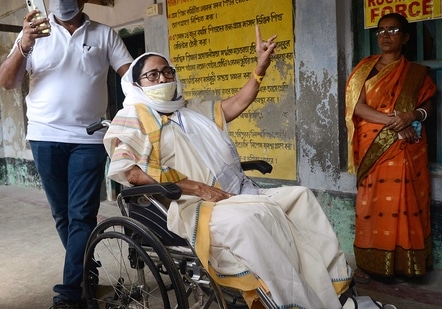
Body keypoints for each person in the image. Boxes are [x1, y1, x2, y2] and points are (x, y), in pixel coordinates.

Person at [102, 25, 380, 309]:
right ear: (137, 84)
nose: (162, 78)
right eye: (152, 75)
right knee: (253, 218)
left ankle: (335, 293)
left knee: (300, 198)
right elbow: (131, 172)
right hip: (188, 204)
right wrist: (197, 187)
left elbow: (238, 102)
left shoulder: (191, 111)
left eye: (167, 71)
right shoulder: (132, 116)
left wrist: (261, 67)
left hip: (231, 193)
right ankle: (295, 301)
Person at [0, 0, 133, 308]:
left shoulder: (104, 34)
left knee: (82, 215)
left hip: (89, 138)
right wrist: (23, 44)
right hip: (44, 138)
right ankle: (86, 268)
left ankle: (69, 293)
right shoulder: (34, 33)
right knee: (62, 214)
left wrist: (144, 108)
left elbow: (129, 75)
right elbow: (7, 82)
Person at [345, 13, 437, 283]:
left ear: (405, 37)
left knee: (407, 200)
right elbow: (357, 107)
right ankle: (372, 262)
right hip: (373, 144)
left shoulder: (416, 73)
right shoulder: (364, 69)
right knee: (372, 202)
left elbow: (428, 105)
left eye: (393, 30)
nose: (385, 35)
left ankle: (407, 265)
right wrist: (396, 122)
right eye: (380, 31)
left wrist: (414, 116)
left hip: (407, 146)